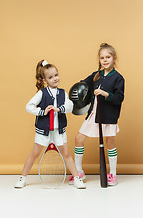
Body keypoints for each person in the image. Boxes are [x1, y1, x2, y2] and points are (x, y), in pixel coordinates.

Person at [14, 60, 86, 189]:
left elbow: (70, 106)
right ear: (45, 80)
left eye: (56, 75)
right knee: (34, 154)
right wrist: (42, 111)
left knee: (66, 154)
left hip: (59, 131)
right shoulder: (42, 93)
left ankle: (77, 178)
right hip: (43, 131)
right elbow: (28, 107)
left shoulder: (62, 93)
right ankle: (22, 178)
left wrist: (60, 109)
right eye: (50, 77)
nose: (55, 79)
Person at [69, 43, 125, 186]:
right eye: (102, 58)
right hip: (93, 114)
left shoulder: (118, 78)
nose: (105, 60)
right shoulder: (96, 75)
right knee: (79, 139)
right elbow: (83, 84)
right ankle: (79, 172)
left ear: (114, 58)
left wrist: (105, 94)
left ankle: (112, 174)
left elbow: (119, 98)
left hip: (108, 116)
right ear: (99, 60)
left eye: (108, 57)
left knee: (109, 142)